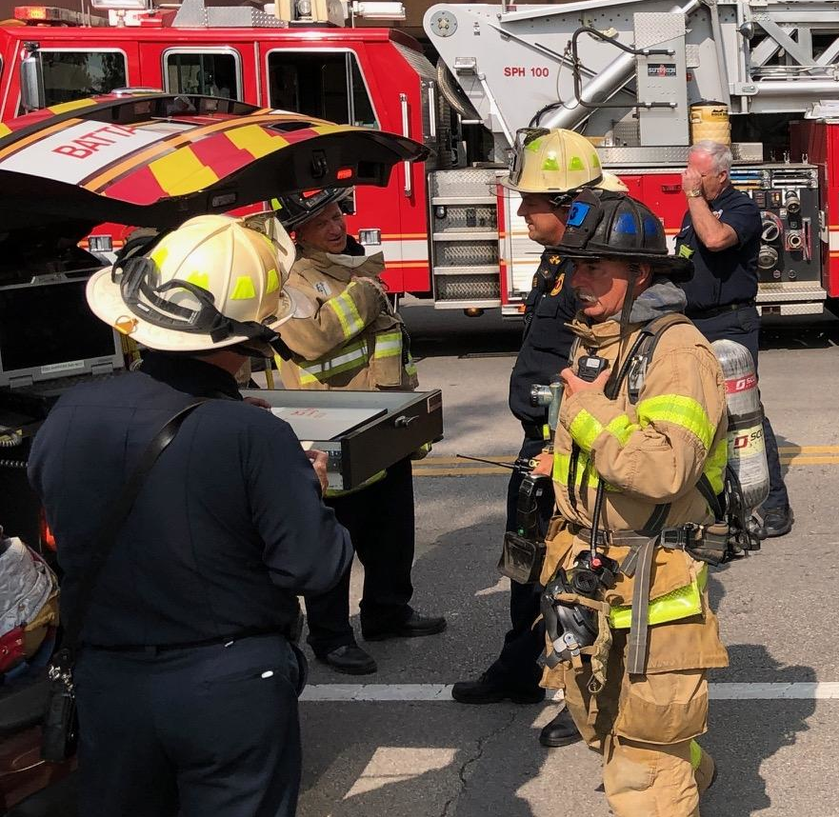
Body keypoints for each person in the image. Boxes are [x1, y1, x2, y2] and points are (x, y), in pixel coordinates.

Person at [31, 214, 352, 817]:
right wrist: (307, 487)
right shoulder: (254, 434)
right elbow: (313, 567)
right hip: (228, 685)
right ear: (250, 334)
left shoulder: (69, 414)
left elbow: (59, 537)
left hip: (108, 681)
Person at [535, 189, 730, 816]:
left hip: (655, 585)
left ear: (640, 273)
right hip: (589, 575)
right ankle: (685, 769)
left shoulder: (678, 352)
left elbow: (666, 468)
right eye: (574, 265)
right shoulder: (600, 337)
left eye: (596, 268)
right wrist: (558, 463)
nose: (580, 281)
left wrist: (589, 414)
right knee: (606, 727)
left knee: (643, 767)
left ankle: (669, 777)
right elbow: (609, 447)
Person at [451, 128, 627, 748]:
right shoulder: (565, 257)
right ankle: (517, 669)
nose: (521, 211)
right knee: (526, 564)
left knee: (577, 574)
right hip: (541, 441)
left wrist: (566, 443)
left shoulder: (603, 266)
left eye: (533, 201)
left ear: (572, 203)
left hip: (573, 446)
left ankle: (588, 698)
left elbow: (606, 368)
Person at [265, 187, 445, 675]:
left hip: (382, 422)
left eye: (338, 213)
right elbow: (311, 337)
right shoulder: (290, 280)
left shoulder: (351, 267)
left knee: (392, 530)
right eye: (322, 220)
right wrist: (365, 292)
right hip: (331, 429)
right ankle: (331, 637)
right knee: (335, 538)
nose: (336, 225)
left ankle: (387, 612)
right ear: (297, 233)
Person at [676, 139, 794, 537]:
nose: (688, 180)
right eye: (688, 172)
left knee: (744, 414)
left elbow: (714, 240)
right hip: (695, 323)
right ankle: (715, 503)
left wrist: (693, 196)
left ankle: (775, 504)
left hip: (731, 325)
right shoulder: (696, 210)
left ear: (721, 176)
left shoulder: (742, 208)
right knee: (700, 416)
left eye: (697, 174)